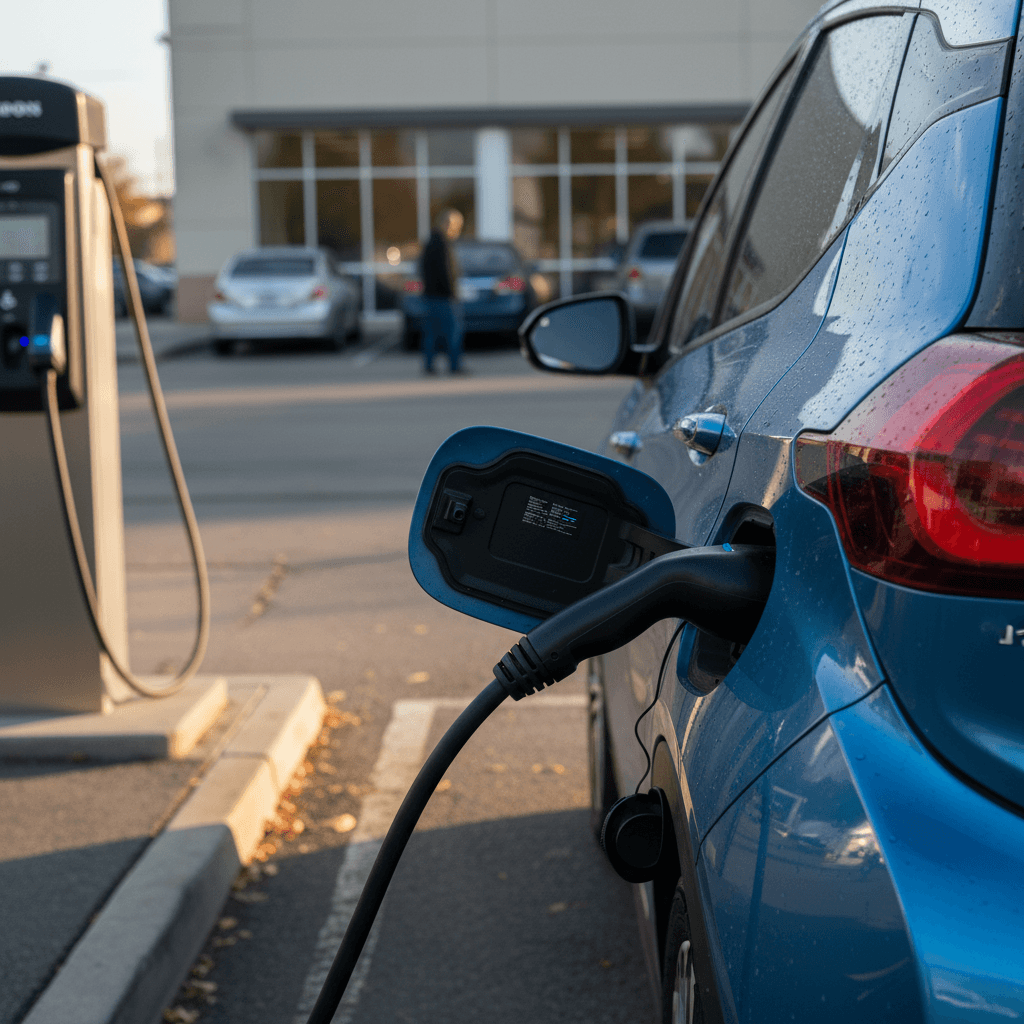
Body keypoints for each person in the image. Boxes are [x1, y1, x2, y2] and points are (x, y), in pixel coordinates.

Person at [418, 209, 465, 374]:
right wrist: (452, 293)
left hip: (431, 296)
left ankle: (429, 366)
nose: (457, 230)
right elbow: (446, 272)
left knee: (432, 334)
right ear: (447, 225)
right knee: (452, 333)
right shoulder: (441, 244)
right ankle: (454, 366)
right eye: (456, 226)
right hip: (443, 297)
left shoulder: (431, 242)